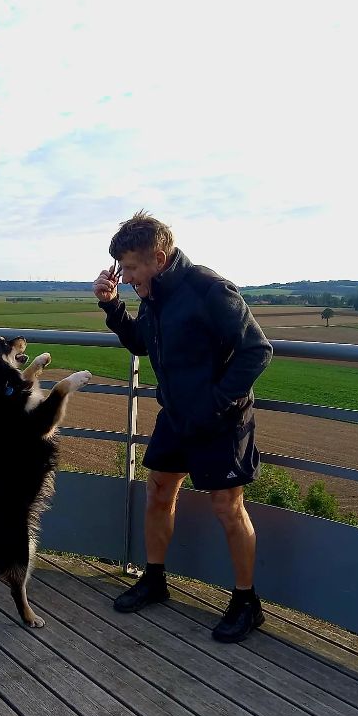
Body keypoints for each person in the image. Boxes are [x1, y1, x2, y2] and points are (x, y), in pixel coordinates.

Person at [93, 212, 273, 642]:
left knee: (228, 509)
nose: (129, 275)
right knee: (158, 492)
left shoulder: (209, 289)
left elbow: (257, 351)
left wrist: (214, 403)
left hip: (220, 420)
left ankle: (247, 603)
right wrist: (112, 305)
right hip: (175, 416)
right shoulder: (153, 293)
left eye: (132, 267)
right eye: (124, 268)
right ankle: (155, 579)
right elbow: (141, 343)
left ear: (159, 256)